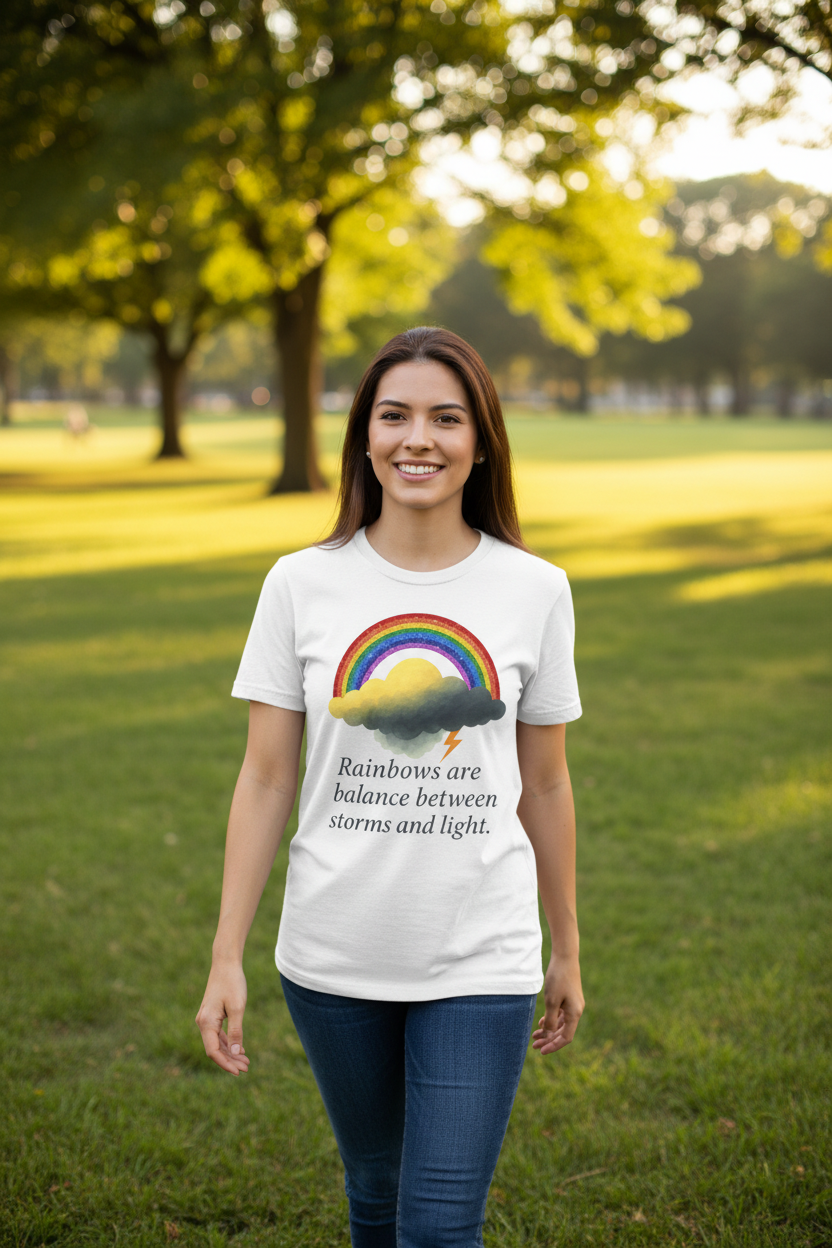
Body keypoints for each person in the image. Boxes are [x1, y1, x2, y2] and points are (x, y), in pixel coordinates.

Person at [196, 327, 584, 1248]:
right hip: (332, 953)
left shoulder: (535, 589)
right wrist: (224, 956)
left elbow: (548, 783)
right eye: (395, 415)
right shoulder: (301, 584)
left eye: (447, 418)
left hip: (480, 954)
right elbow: (264, 776)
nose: (420, 438)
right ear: (364, 436)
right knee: (374, 1189)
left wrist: (564, 947)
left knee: (440, 1226)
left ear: (481, 441)